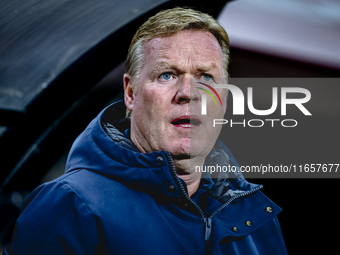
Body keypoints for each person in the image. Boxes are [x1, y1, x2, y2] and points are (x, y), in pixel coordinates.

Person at [4, 7, 288, 255]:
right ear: (130, 92)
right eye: (167, 75)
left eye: (206, 77)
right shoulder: (70, 206)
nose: (188, 93)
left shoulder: (252, 211)